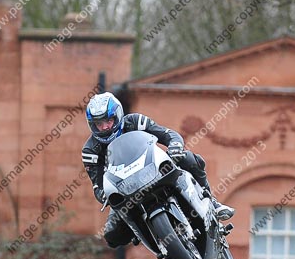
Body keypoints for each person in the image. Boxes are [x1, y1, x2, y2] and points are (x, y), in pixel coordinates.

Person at [82, 92, 234, 248]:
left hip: (152, 167)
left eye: (108, 120)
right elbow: (97, 184)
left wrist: (175, 145)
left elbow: (167, 134)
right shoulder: (90, 151)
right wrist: (103, 193)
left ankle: (212, 202)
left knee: (188, 158)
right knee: (112, 235)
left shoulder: (136, 121)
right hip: (124, 188)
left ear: (118, 115)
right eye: (99, 124)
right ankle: (142, 231)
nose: (105, 127)